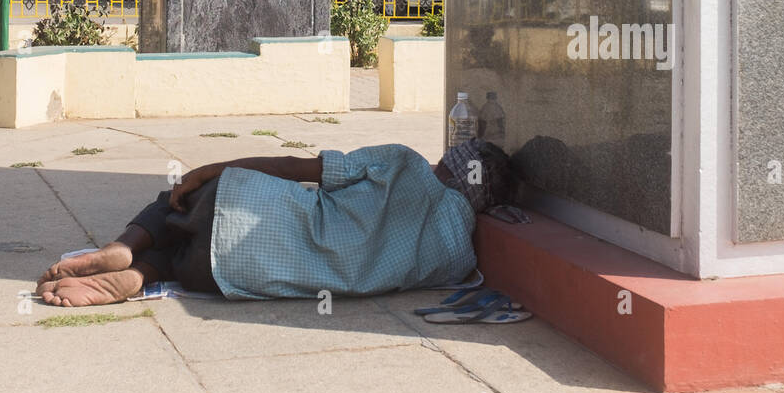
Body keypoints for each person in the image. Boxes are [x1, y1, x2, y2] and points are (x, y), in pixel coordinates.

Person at [36, 140, 511, 307]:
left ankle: (124, 247)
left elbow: (292, 167)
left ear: (451, 163)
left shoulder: (404, 164)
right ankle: (140, 275)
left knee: (173, 205)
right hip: (235, 274)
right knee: (183, 262)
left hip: (241, 206)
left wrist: (208, 171)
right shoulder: (457, 258)